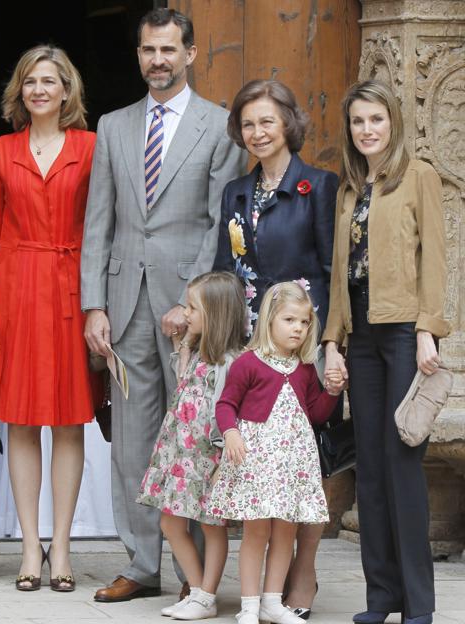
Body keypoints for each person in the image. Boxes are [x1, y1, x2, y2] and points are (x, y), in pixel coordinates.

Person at [81, 7, 245, 602]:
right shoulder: (113, 125)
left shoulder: (219, 124)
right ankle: (140, 564)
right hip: (122, 305)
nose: (158, 60)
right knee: (130, 441)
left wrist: (191, 302)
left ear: (191, 54)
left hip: (190, 315)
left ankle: (193, 575)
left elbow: (216, 221)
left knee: (195, 439)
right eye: (149, 51)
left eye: (168, 50)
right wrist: (93, 304)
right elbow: (99, 222)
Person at [0, 45, 95, 592]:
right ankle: (28, 548)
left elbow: (103, 227)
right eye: (30, 81)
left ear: (67, 91)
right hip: (14, 295)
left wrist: (99, 307)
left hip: (71, 292)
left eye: (50, 81)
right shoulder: (0, 150)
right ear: (19, 91)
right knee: (20, 421)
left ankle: (61, 548)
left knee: (69, 423)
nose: (39, 90)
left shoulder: (92, 148)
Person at [322, 80, 449, 624]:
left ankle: (418, 605)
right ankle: (382, 598)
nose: (367, 130)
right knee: (369, 469)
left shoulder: (417, 175)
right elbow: (336, 276)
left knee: (401, 465)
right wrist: (331, 342)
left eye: (376, 119)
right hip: (362, 337)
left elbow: (436, 260)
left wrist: (429, 329)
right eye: (358, 122)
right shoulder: (349, 187)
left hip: (403, 333)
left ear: (392, 122)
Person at [213, 79, 339, 618]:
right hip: (251, 347)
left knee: (306, 467)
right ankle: (253, 591)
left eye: (267, 120)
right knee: (259, 471)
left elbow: (332, 271)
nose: (258, 132)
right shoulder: (236, 193)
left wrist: (330, 344)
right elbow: (226, 268)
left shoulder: (319, 185)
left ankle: (302, 578)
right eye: (248, 123)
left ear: (288, 122)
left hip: (302, 341)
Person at [208, 281, 345, 624]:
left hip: (291, 464)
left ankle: (272, 602)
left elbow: (315, 413)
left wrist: (330, 392)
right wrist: (231, 432)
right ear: (269, 320)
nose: (298, 328)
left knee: (286, 532)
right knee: (256, 533)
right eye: (289, 320)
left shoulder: (303, 369)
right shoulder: (248, 364)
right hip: (257, 461)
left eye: (303, 322)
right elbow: (225, 404)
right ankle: (250, 604)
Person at [136, 271, 245, 620]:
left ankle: (207, 594)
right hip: (180, 454)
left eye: (193, 308)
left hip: (207, 459)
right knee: (170, 523)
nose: (186, 313)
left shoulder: (229, 363)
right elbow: (181, 381)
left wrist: (222, 466)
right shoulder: (197, 353)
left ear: (214, 314)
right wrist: (183, 342)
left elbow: (228, 416)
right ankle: (198, 590)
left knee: (213, 528)